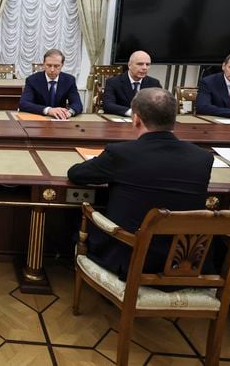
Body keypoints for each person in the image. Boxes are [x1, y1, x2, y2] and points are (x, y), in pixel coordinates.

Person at [68, 88, 213, 280]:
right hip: (185, 261)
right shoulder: (202, 157)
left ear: (136, 119)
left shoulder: (121, 153)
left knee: (72, 220)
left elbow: (77, 174)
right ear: (174, 119)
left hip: (130, 259)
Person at [19, 49, 83, 119]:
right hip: (38, 120)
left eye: (56, 66)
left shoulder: (69, 80)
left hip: (60, 120)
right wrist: (48, 110)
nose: (52, 70)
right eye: (49, 65)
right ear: (43, 64)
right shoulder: (32, 80)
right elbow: (23, 104)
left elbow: (77, 104)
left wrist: (69, 112)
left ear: (62, 65)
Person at [102, 50, 162, 116]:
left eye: (147, 64)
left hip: (146, 122)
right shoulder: (113, 82)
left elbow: (160, 106)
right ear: (129, 65)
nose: (144, 68)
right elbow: (108, 105)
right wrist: (131, 112)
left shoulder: (154, 83)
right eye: (140, 64)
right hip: (121, 121)